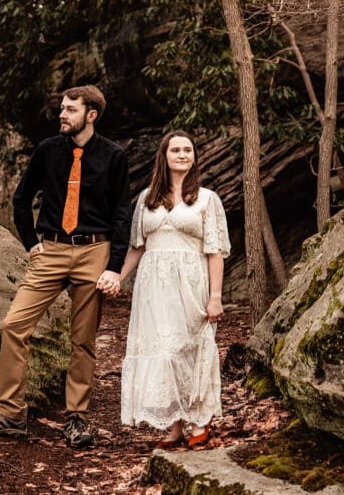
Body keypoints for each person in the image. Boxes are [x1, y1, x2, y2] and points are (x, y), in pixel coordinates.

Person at [0, 85, 131, 449]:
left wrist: (114, 266)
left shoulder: (113, 156)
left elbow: (122, 214)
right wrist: (31, 243)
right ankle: (10, 414)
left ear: (91, 115)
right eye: (62, 108)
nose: (62, 114)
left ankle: (76, 419)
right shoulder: (47, 150)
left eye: (70, 109)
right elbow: (22, 198)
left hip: (94, 251)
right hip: (51, 250)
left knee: (83, 341)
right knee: (13, 325)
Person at [103, 130, 229, 449]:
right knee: (163, 353)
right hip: (153, 289)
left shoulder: (207, 199)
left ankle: (200, 421)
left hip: (191, 284)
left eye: (188, 150)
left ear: (194, 157)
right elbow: (137, 247)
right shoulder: (147, 199)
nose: (183, 155)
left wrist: (215, 297)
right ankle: (174, 427)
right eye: (176, 150)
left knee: (190, 349)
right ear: (165, 156)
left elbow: (215, 251)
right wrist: (117, 276)